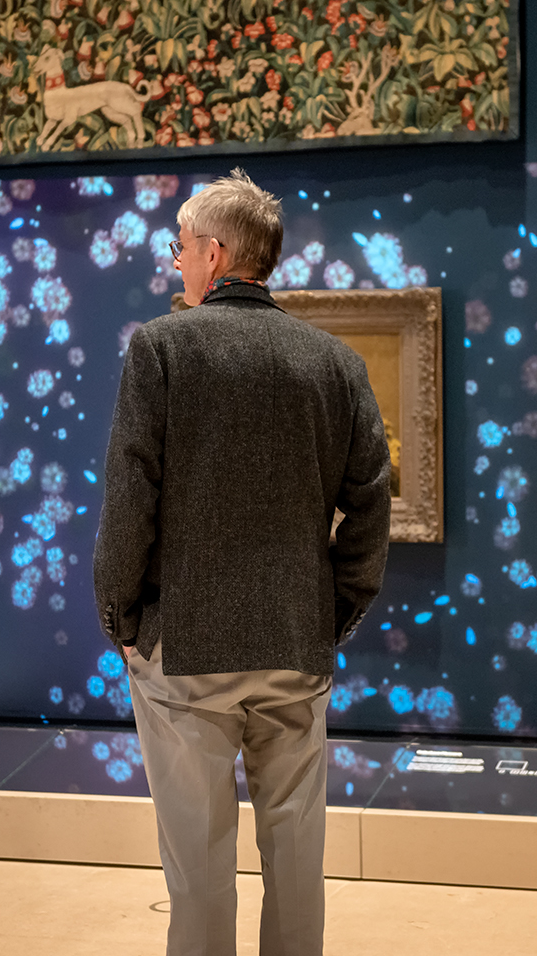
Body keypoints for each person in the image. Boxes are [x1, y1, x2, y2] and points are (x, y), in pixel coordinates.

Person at [93, 169, 391, 956]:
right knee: (298, 863)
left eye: (180, 247)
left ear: (215, 254)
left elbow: (130, 497)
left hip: (183, 655)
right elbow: (370, 503)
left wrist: (121, 617)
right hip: (296, 648)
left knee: (197, 869)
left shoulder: (159, 348)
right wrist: (335, 612)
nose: (176, 262)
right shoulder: (334, 363)